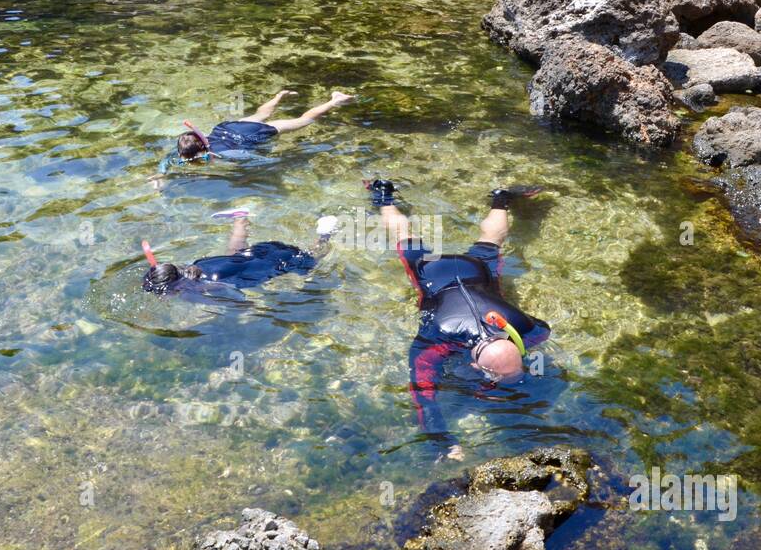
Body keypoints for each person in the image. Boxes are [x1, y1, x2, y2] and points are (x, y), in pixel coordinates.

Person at [367, 179, 551, 438]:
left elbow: (425, 397)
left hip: (472, 268)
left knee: (489, 240)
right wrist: (442, 442)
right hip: (431, 273)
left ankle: (385, 193)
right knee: (407, 238)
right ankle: (500, 197)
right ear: (475, 366)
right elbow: (423, 396)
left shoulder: (520, 324)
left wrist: (446, 441)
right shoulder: (439, 337)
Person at [141, 211, 338, 299]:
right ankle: (240, 219)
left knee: (315, 260)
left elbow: (237, 299)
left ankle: (325, 235)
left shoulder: (206, 284)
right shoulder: (196, 264)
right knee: (234, 254)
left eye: (163, 294)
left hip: (280, 261)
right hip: (262, 250)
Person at [161, 90, 355, 169]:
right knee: (259, 115)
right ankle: (279, 96)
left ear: (204, 151)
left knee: (304, 120)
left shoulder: (227, 154)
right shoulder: (190, 148)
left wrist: (272, 162)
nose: (191, 162)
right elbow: (166, 162)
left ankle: (335, 100)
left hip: (250, 134)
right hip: (227, 128)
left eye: (201, 159)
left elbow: (253, 158)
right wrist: (160, 174)